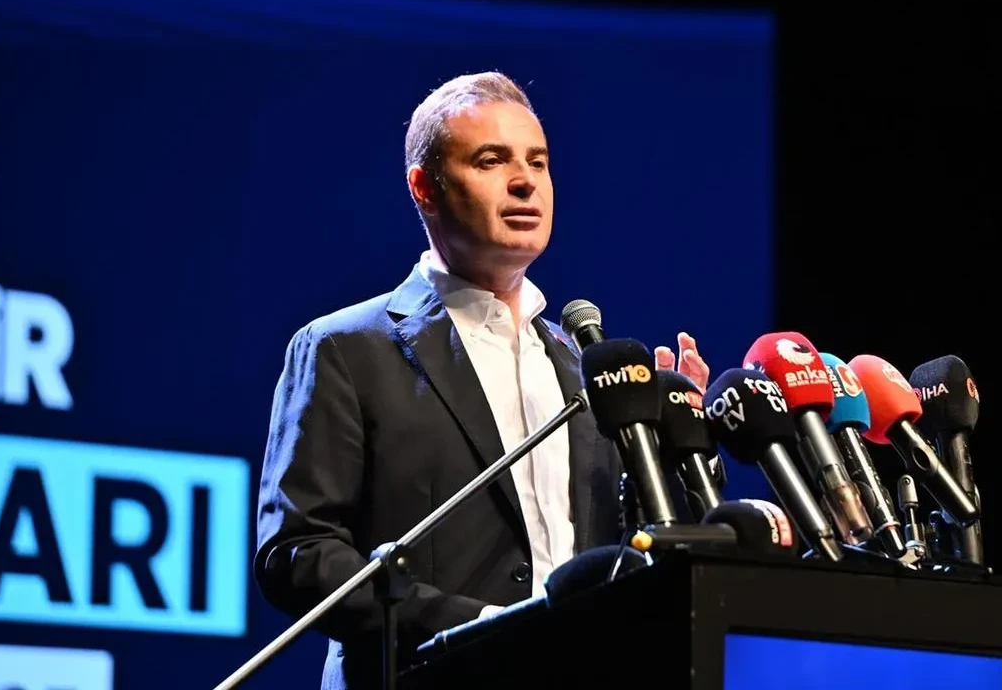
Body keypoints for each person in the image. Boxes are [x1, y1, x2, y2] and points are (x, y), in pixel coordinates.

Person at [253, 71, 711, 690]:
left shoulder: (586, 371)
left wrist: (681, 449)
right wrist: (482, 628)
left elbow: (645, 555)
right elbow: (298, 553)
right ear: (425, 188)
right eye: (491, 160)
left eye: (538, 162)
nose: (525, 181)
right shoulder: (346, 349)